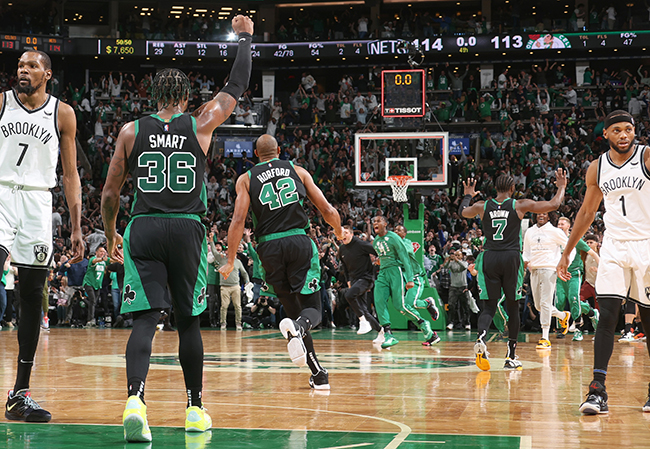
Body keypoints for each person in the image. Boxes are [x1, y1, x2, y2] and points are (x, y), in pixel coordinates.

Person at [101, 15, 254, 441]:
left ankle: (135, 401)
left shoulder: (131, 130)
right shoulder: (201, 121)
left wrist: (111, 234)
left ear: (153, 96)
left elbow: (110, 193)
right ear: (186, 97)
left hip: (144, 227)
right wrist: (244, 38)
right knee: (188, 322)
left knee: (145, 319)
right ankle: (195, 409)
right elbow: (237, 85)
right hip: (187, 228)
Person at [220, 133, 343, 391]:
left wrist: (230, 259)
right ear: (279, 151)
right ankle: (299, 329)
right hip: (298, 241)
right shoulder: (298, 171)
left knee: (295, 311)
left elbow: (238, 220)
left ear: (256, 155)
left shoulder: (246, 179)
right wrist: (339, 231)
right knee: (313, 310)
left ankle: (319, 374)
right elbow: (327, 210)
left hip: (269, 247)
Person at [1, 50, 83, 422]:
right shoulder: (2, 103)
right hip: (2, 193)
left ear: (47, 74)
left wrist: (76, 226)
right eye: (20, 65)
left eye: (31, 66)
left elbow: (70, 173)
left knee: (33, 296)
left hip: (37, 202)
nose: (23, 70)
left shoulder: (62, 113)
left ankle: (19, 395)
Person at [557, 110, 650, 415]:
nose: (624, 135)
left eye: (629, 129)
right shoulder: (597, 168)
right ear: (606, 133)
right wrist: (567, 251)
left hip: (647, 244)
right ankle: (597, 390)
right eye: (617, 130)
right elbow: (587, 212)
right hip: (614, 246)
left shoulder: (646, 156)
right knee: (607, 314)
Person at [459, 170, 566, 371]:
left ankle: (481, 338)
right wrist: (561, 186)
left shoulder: (483, 206)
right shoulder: (519, 205)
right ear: (512, 188)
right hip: (511, 257)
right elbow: (554, 204)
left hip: (489, 257)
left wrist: (468, 195)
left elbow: (463, 211)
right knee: (513, 305)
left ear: (495, 188)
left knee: (489, 307)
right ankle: (511, 355)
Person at [371, 216, 434, 349]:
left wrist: (410, 279)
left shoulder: (394, 237)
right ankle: (388, 334)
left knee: (400, 306)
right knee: (378, 299)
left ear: (385, 224)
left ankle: (422, 323)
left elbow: (405, 258)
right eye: (374, 221)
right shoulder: (376, 241)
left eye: (378, 221)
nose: (375, 223)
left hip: (396, 271)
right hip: (383, 272)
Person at [523, 212, 572, 349]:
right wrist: (526, 261)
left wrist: (565, 264)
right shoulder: (530, 231)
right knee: (539, 306)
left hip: (550, 269)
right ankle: (562, 316)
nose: (541, 215)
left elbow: (570, 248)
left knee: (545, 303)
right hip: (534, 270)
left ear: (549, 216)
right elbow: (526, 251)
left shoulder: (555, 231)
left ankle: (545, 337)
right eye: (539, 213)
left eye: (544, 213)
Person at [555, 217, 600, 342]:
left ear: (568, 226)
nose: (560, 226)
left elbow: (593, 253)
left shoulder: (575, 239)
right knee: (559, 302)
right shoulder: (555, 240)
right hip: (560, 275)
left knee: (573, 299)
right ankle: (563, 327)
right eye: (558, 224)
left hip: (574, 273)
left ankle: (578, 329)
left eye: (562, 224)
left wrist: (602, 268)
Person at [395, 225, 440, 345]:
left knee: (411, 304)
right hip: (405, 281)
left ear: (404, 234)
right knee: (405, 308)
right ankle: (430, 335)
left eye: (399, 230)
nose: (396, 232)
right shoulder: (393, 247)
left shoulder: (407, 242)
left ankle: (427, 303)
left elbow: (405, 252)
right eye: (395, 230)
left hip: (415, 278)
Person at [338, 225, 383, 340]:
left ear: (351, 234)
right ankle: (381, 332)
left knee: (349, 295)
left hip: (366, 278)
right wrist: (348, 280)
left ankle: (362, 321)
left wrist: (379, 260)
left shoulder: (361, 244)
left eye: (346, 232)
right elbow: (344, 267)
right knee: (363, 310)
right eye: (342, 233)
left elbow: (378, 251)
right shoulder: (342, 249)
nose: (344, 235)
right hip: (354, 280)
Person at [82, 246, 108, 327]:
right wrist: (102, 259)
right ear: (96, 252)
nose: (102, 253)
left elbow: (112, 261)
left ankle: (83, 301)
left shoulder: (105, 260)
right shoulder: (92, 259)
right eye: (101, 251)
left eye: (104, 252)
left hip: (97, 285)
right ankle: (90, 320)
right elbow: (94, 261)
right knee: (93, 300)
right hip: (88, 283)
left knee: (93, 302)